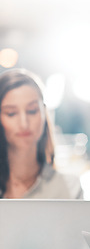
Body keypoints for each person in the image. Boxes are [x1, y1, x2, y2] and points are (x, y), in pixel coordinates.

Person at [0, 69, 82, 199]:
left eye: (32, 111)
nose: (24, 123)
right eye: (11, 113)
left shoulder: (69, 188)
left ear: (44, 114)